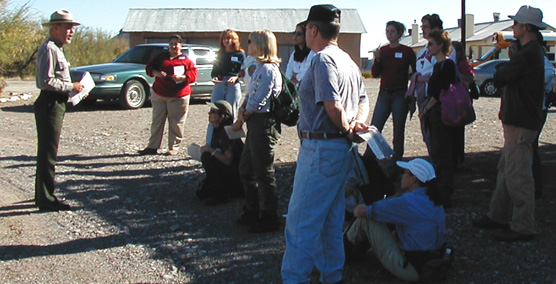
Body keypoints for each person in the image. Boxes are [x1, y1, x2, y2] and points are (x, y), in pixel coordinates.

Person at [281, 5, 371, 284]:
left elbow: (332, 105)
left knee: (300, 223)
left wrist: (346, 127)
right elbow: (363, 102)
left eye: (305, 29)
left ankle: (295, 279)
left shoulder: (321, 60)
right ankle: (332, 275)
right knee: (330, 221)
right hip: (339, 151)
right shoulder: (348, 60)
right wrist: (356, 123)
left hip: (320, 148)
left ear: (313, 29)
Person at [472, 5, 546, 242]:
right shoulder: (531, 52)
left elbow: (502, 75)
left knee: (518, 174)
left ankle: (523, 225)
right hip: (518, 120)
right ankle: (499, 215)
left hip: (521, 121)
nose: (512, 27)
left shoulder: (528, 54)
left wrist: (509, 63)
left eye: (515, 24)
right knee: (506, 170)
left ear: (524, 27)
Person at [346, 158, 446, 282]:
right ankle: (353, 251)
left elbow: (366, 211)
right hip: (431, 259)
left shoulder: (408, 202)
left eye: (404, 172)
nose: (401, 176)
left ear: (413, 178)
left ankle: (342, 251)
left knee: (366, 219)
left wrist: (355, 208)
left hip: (410, 267)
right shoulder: (433, 198)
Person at [231, 29, 282, 234]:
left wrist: (242, 115)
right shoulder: (259, 68)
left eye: (251, 41)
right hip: (254, 122)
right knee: (246, 169)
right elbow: (250, 94)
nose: (247, 44)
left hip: (263, 123)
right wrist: (243, 113)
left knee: (263, 172)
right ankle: (252, 210)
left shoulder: (269, 69)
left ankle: (269, 216)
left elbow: (259, 99)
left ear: (260, 45)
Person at [34, 9, 84, 211]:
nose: (71, 31)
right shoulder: (49, 48)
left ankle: (43, 194)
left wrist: (76, 91)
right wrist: (71, 86)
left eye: (72, 28)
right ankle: (46, 199)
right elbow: (45, 81)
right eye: (67, 27)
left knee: (48, 151)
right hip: (49, 103)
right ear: (54, 28)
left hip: (57, 102)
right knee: (48, 152)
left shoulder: (57, 48)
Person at [369, 20, 416, 178]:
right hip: (384, 93)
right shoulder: (383, 51)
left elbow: (415, 73)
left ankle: (396, 165)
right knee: (375, 128)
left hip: (400, 94)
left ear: (399, 34)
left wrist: (412, 95)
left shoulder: (407, 52)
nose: (389, 34)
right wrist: (377, 59)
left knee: (398, 131)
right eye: (387, 31)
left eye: (392, 31)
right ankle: (369, 160)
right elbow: (375, 74)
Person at [138, 35, 198, 156]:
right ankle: (152, 147)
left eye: (176, 44)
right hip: (159, 93)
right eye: (171, 43)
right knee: (157, 121)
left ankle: (173, 147)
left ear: (181, 45)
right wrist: (157, 73)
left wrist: (183, 77)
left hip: (178, 96)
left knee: (176, 122)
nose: (173, 46)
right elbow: (149, 68)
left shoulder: (185, 60)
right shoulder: (161, 57)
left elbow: (193, 74)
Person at [420, 30, 456, 208]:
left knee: (444, 153)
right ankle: (439, 190)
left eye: (431, 44)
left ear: (440, 45)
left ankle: (445, 193)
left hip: (443, 113)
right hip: (434, 114)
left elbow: (441, 91)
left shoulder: (448, 65)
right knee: (436, 151)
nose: (428, 47)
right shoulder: (437, 66)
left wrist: (427, 106)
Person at [407, 14, 443, 155]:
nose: (423, 29)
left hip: (434, 98)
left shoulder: (442, 49)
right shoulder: (423, 51)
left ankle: (440, 167)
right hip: (422, 97)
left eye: (426, 26)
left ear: (436, 28)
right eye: (422, 26)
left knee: (436, 134)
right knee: (427, 134)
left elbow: (441, 75)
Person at [196, 100, 244, 205]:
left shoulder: (227, 131)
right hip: (228, 171)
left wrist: (210, 150)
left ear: (222, 116)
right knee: (201, 193)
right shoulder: (216, 129)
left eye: (213, 112)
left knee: (206, 157)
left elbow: (228, 160)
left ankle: (222, 193)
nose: (209, 114)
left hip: (236, 174)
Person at [207, 29, 245, 144]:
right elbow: (214, 70)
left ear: (234, 40)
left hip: (233, 84)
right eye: (224, 38)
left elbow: (243, 71)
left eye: (229, 38)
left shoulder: (240, 54)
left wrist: (236, 77)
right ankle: (211, 143)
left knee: (231, 113)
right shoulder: (219, 54)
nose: (226, 41)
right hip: (220, 84)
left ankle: (231, 144)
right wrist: (215, 77)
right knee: (214, 111)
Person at [451, 41, 475, 169]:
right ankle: (456, 158)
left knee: (458, 131)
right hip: (457, 99)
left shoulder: (462, 64)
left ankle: (458, 158)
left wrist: (456, 75)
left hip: (459, 99)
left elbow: (470, 78)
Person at [285, 22, 316, 87]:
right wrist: (294, 79)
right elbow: (288, 75)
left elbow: (305, 76)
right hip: (294, 91)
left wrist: (296, 76)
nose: (295, 36)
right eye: (294, 33)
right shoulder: (294, 54)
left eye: (299, 34)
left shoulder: (312, 54)